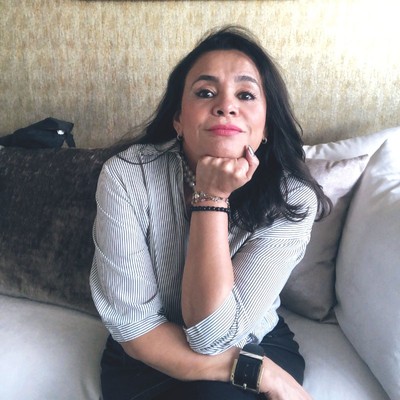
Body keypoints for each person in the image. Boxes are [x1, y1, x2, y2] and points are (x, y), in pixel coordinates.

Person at [90, 26, 330, 400]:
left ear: (265, 127)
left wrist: (211, 197)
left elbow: (215, 335)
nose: (226, 105)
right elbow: (135, 328)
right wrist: (262, 374)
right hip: (147, 353)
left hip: (250, 337)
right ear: (178, 119)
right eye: (205, 92)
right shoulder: (127, 175)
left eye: (246, 94)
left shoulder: (292, 197)